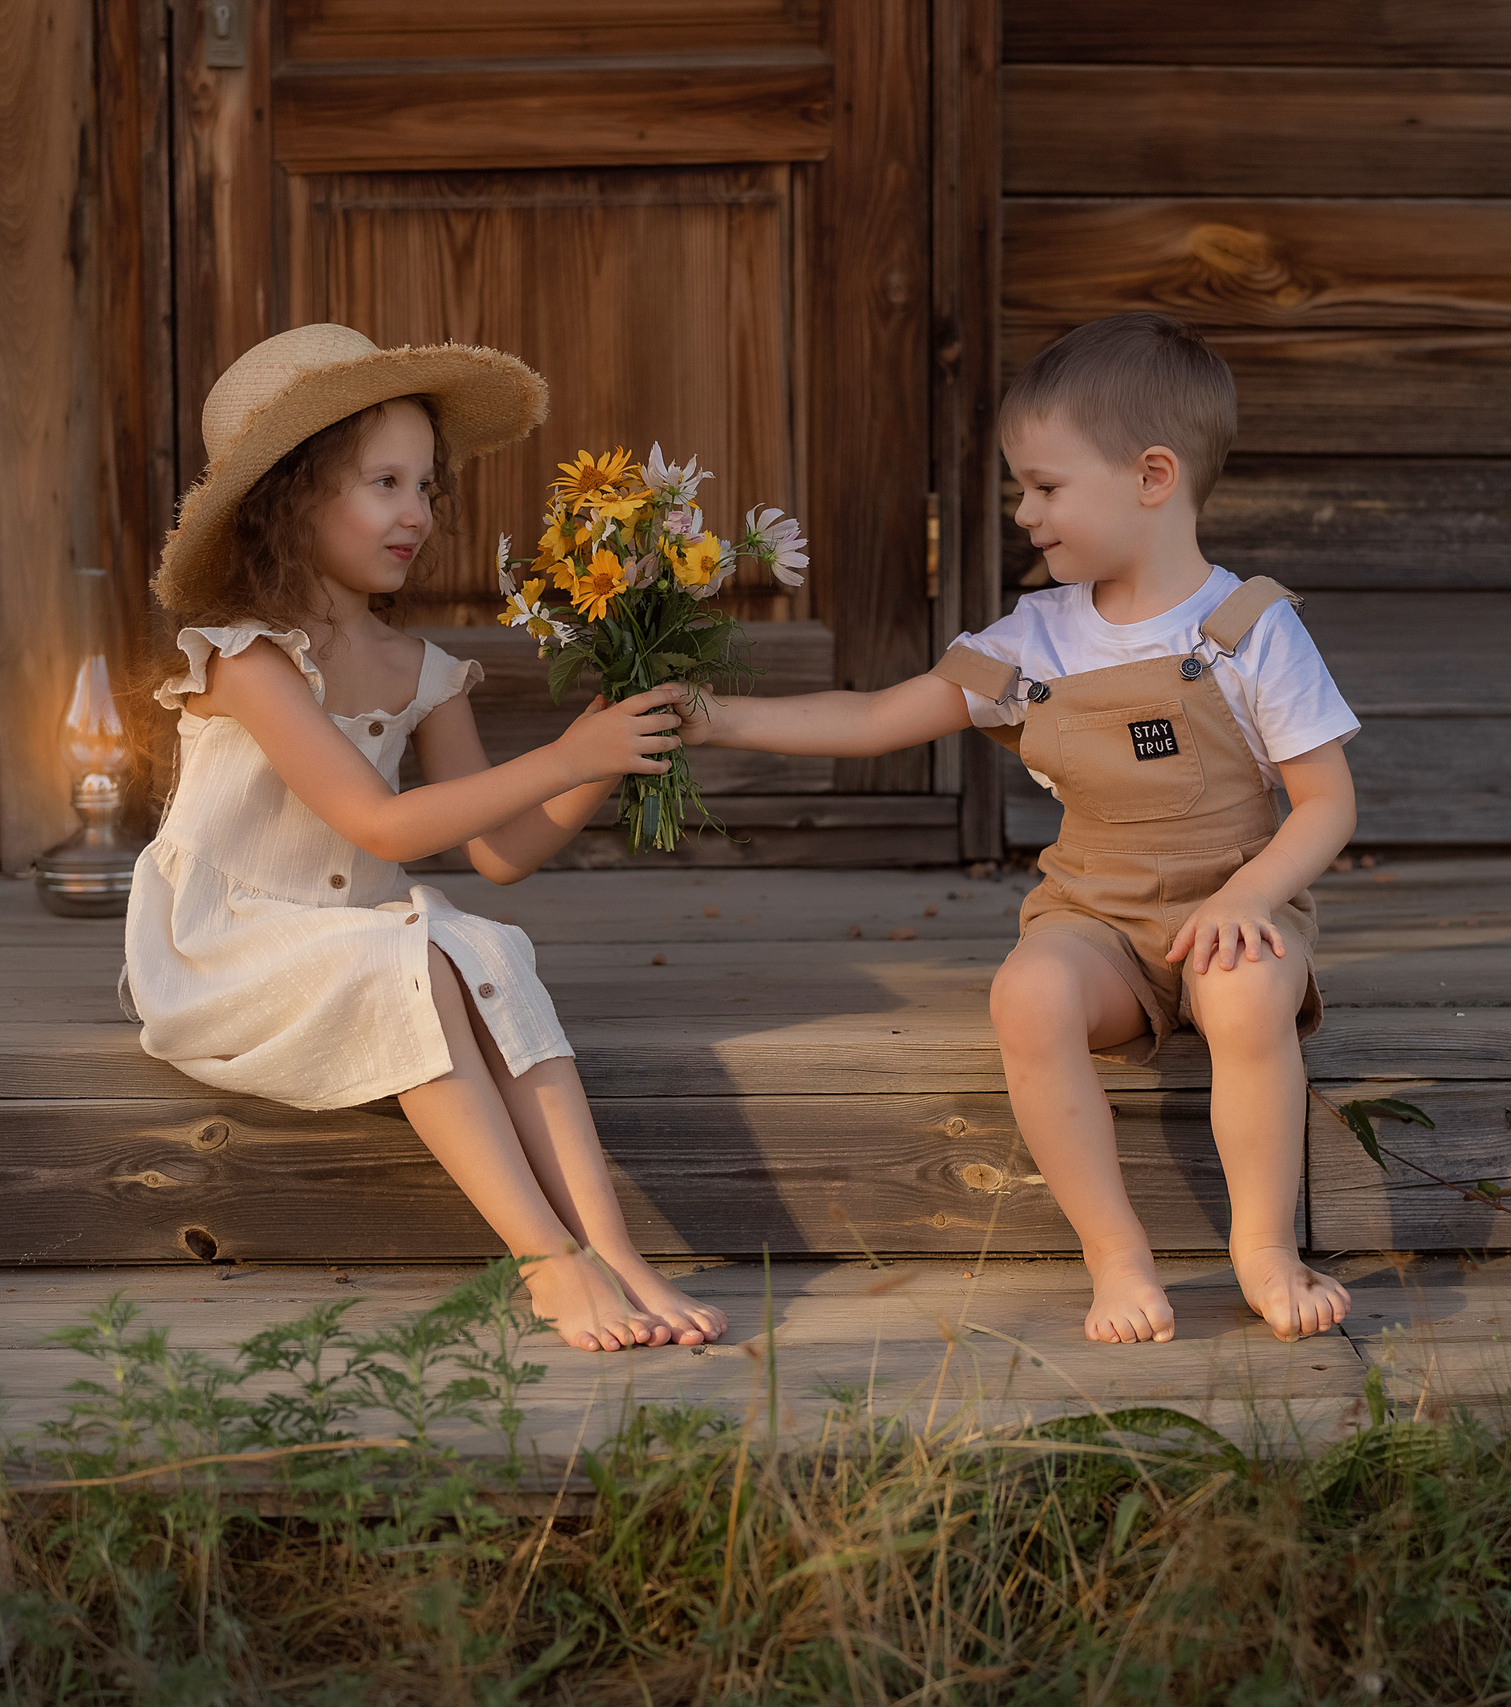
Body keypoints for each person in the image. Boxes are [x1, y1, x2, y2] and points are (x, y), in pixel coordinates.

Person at [686, 312, 1359, 1344]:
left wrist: (1249, 896)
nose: (1023, 510)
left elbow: (1326, 804)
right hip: (1101, 923)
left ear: (1151, 477)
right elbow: (873, 719)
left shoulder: (1247, 627)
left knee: (1245, 989)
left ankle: (1264, 1247)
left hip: (1232, 905)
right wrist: (715, 715)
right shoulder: (1030, 640)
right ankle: (1116, 1254)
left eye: (1045, 486)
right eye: (1020, 487)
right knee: (1029, 992)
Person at [122, 322, 726, 1352]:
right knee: (411, 947)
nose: (419, 514)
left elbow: (502, 853)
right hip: (227, 949)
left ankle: (614, 1250)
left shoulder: (424, 668)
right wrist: (568, 756)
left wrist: (615, 744)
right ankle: (543, 1258)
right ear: (294, 497)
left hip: (357, 943)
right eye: (385, 484)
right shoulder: (247, 660)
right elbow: (376, 822)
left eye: (427, 487)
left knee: (483, 939)